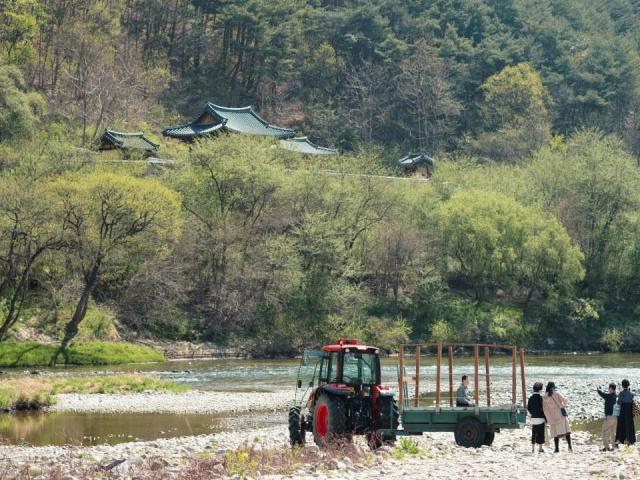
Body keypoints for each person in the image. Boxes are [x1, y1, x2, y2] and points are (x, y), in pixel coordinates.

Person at [542, 381, 572, 453]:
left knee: (555, 434)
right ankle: (570, 447)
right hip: (560, 416)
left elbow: (544, 409)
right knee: (567, 431)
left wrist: (548, 417)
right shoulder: (557, 393)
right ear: (553, 386)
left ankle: (556, 449)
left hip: (551, 418)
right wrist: (562, 406)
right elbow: (565, 400)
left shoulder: (544, 397)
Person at [597, 383, 618, 451]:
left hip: (609, 417)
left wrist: (598, 388)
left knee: (604, 432)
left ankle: (607, 447)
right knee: (613, 433)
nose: (608, 389)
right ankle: (614, 447)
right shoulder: (616, 396)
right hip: (615, 417)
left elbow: (601, 393)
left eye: (609, 388)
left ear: (611, 389)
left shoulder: (608, 396)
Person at [615, 379, 636, 446]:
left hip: (623, 411)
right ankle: (631, 440)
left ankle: (621, 439)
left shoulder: (621, 393)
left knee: (621, 425)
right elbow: (632, 399)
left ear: (622, 385)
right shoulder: (631, 393)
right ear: (628, 385)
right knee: (629, 425)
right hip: (629, 411)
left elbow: (618, 403)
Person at [527, 382, 546, 453]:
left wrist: (533, 413)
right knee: (541, 433)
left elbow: (528, 407)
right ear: (540, 390)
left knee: (534, 433)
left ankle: (533, 448)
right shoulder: (541, 398)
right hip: (540, 418)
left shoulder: (531, 398)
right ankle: (540, 448)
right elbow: (543, 409)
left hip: (533, 418)